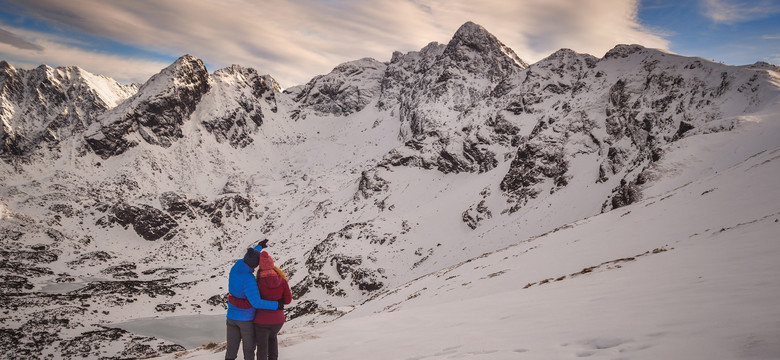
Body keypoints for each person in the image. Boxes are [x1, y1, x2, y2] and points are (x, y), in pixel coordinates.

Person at [225, 240, 284, 360]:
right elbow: (256, 302)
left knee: (231, 350)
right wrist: (276, 305)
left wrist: (259, 247)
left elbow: (251, 255)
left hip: (231, 317)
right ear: (255, 265)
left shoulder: (235, 268)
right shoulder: (249, 279)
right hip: (245, 320)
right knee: (249, 350)